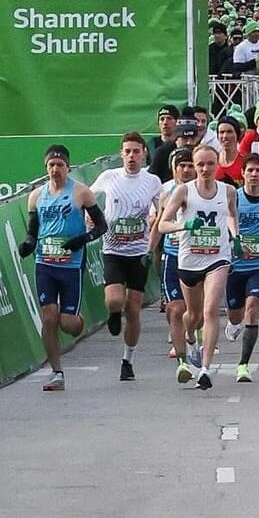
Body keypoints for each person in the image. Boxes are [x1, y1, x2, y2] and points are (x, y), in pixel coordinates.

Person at [16, 145, 106, 392]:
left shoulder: (81, 193)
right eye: (51, 166)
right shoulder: (36, 196)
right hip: (45, 263)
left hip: (71, 265)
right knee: (48, 317)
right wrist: (27, 244)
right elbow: (33, 232)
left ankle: (79, 321)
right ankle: (57, 373)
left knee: (67, 324)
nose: (55, 170)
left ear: (67, 167)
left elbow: (102, 226)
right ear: (46, 168)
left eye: (60, 165)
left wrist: (82, 240)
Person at [158, 145, 240, 390]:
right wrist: (183, 226)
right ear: (194, 166)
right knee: (192, 315)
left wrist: (235, 236)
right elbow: (163, 224)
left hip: (218, 257)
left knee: (211, 309)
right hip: (189, 259)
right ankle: (189, 337)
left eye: (210, 164)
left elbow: (231, 215)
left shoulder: (228, 191)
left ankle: (205, 369)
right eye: (200, 164)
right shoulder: (184, 191)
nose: (205, 169)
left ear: (217, 165)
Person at [97, 132, 161, 382]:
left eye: (136, 151)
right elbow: (88, 199)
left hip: (138, 253)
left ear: (144, 153)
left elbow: (161, 213)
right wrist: (91, 216)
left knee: (133, 309)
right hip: (113, 250)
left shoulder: (152, 181)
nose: (131, 156)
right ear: (121, 154)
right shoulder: (109, 177)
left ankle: (128, 360)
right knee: (115, 301)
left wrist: (151, 244)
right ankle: (113, 313)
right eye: (127, 151)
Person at [225, 152, 259, 385]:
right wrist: (234, 240)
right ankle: (234, 323)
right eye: (250, 171)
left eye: (258, 170)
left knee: (253, 306)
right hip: (235, 264)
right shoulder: (233, 198)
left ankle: (243, 365)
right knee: (235, 314)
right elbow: (225, 221)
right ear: (242, 174)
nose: (254, 175)